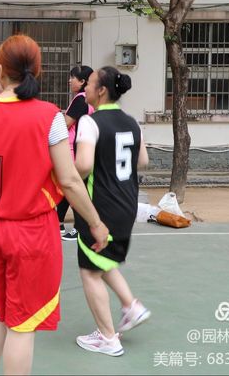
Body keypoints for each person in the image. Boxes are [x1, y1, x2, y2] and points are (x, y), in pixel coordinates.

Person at [0, 35, 109, 375]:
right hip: (30, 232)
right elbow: (69, 180)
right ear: (37, 70)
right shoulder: (49, 116)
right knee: (22, 324)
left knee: (0, 310)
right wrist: (95, 222)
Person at [72, 66, 151, 356]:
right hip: (127, 204)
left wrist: (65, 176)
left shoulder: (89, 122)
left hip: (100, 208)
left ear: (101, 90)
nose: (85, 88)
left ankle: (107, 338)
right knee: (102, 260)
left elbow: (83, 166)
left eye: (90, 83)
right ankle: (131, 306)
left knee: (89, 271)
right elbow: (143, 161)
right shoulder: (132, 122)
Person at [57, 65, 95, 241]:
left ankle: (80, 228)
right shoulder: (89, 99)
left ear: (82, 81)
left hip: (76, 150)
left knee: (74, 188)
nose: (69, 80)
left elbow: (66, 123)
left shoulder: (81, 99)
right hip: (83, 149)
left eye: (73, 77)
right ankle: (59, 223)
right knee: (69, 187)